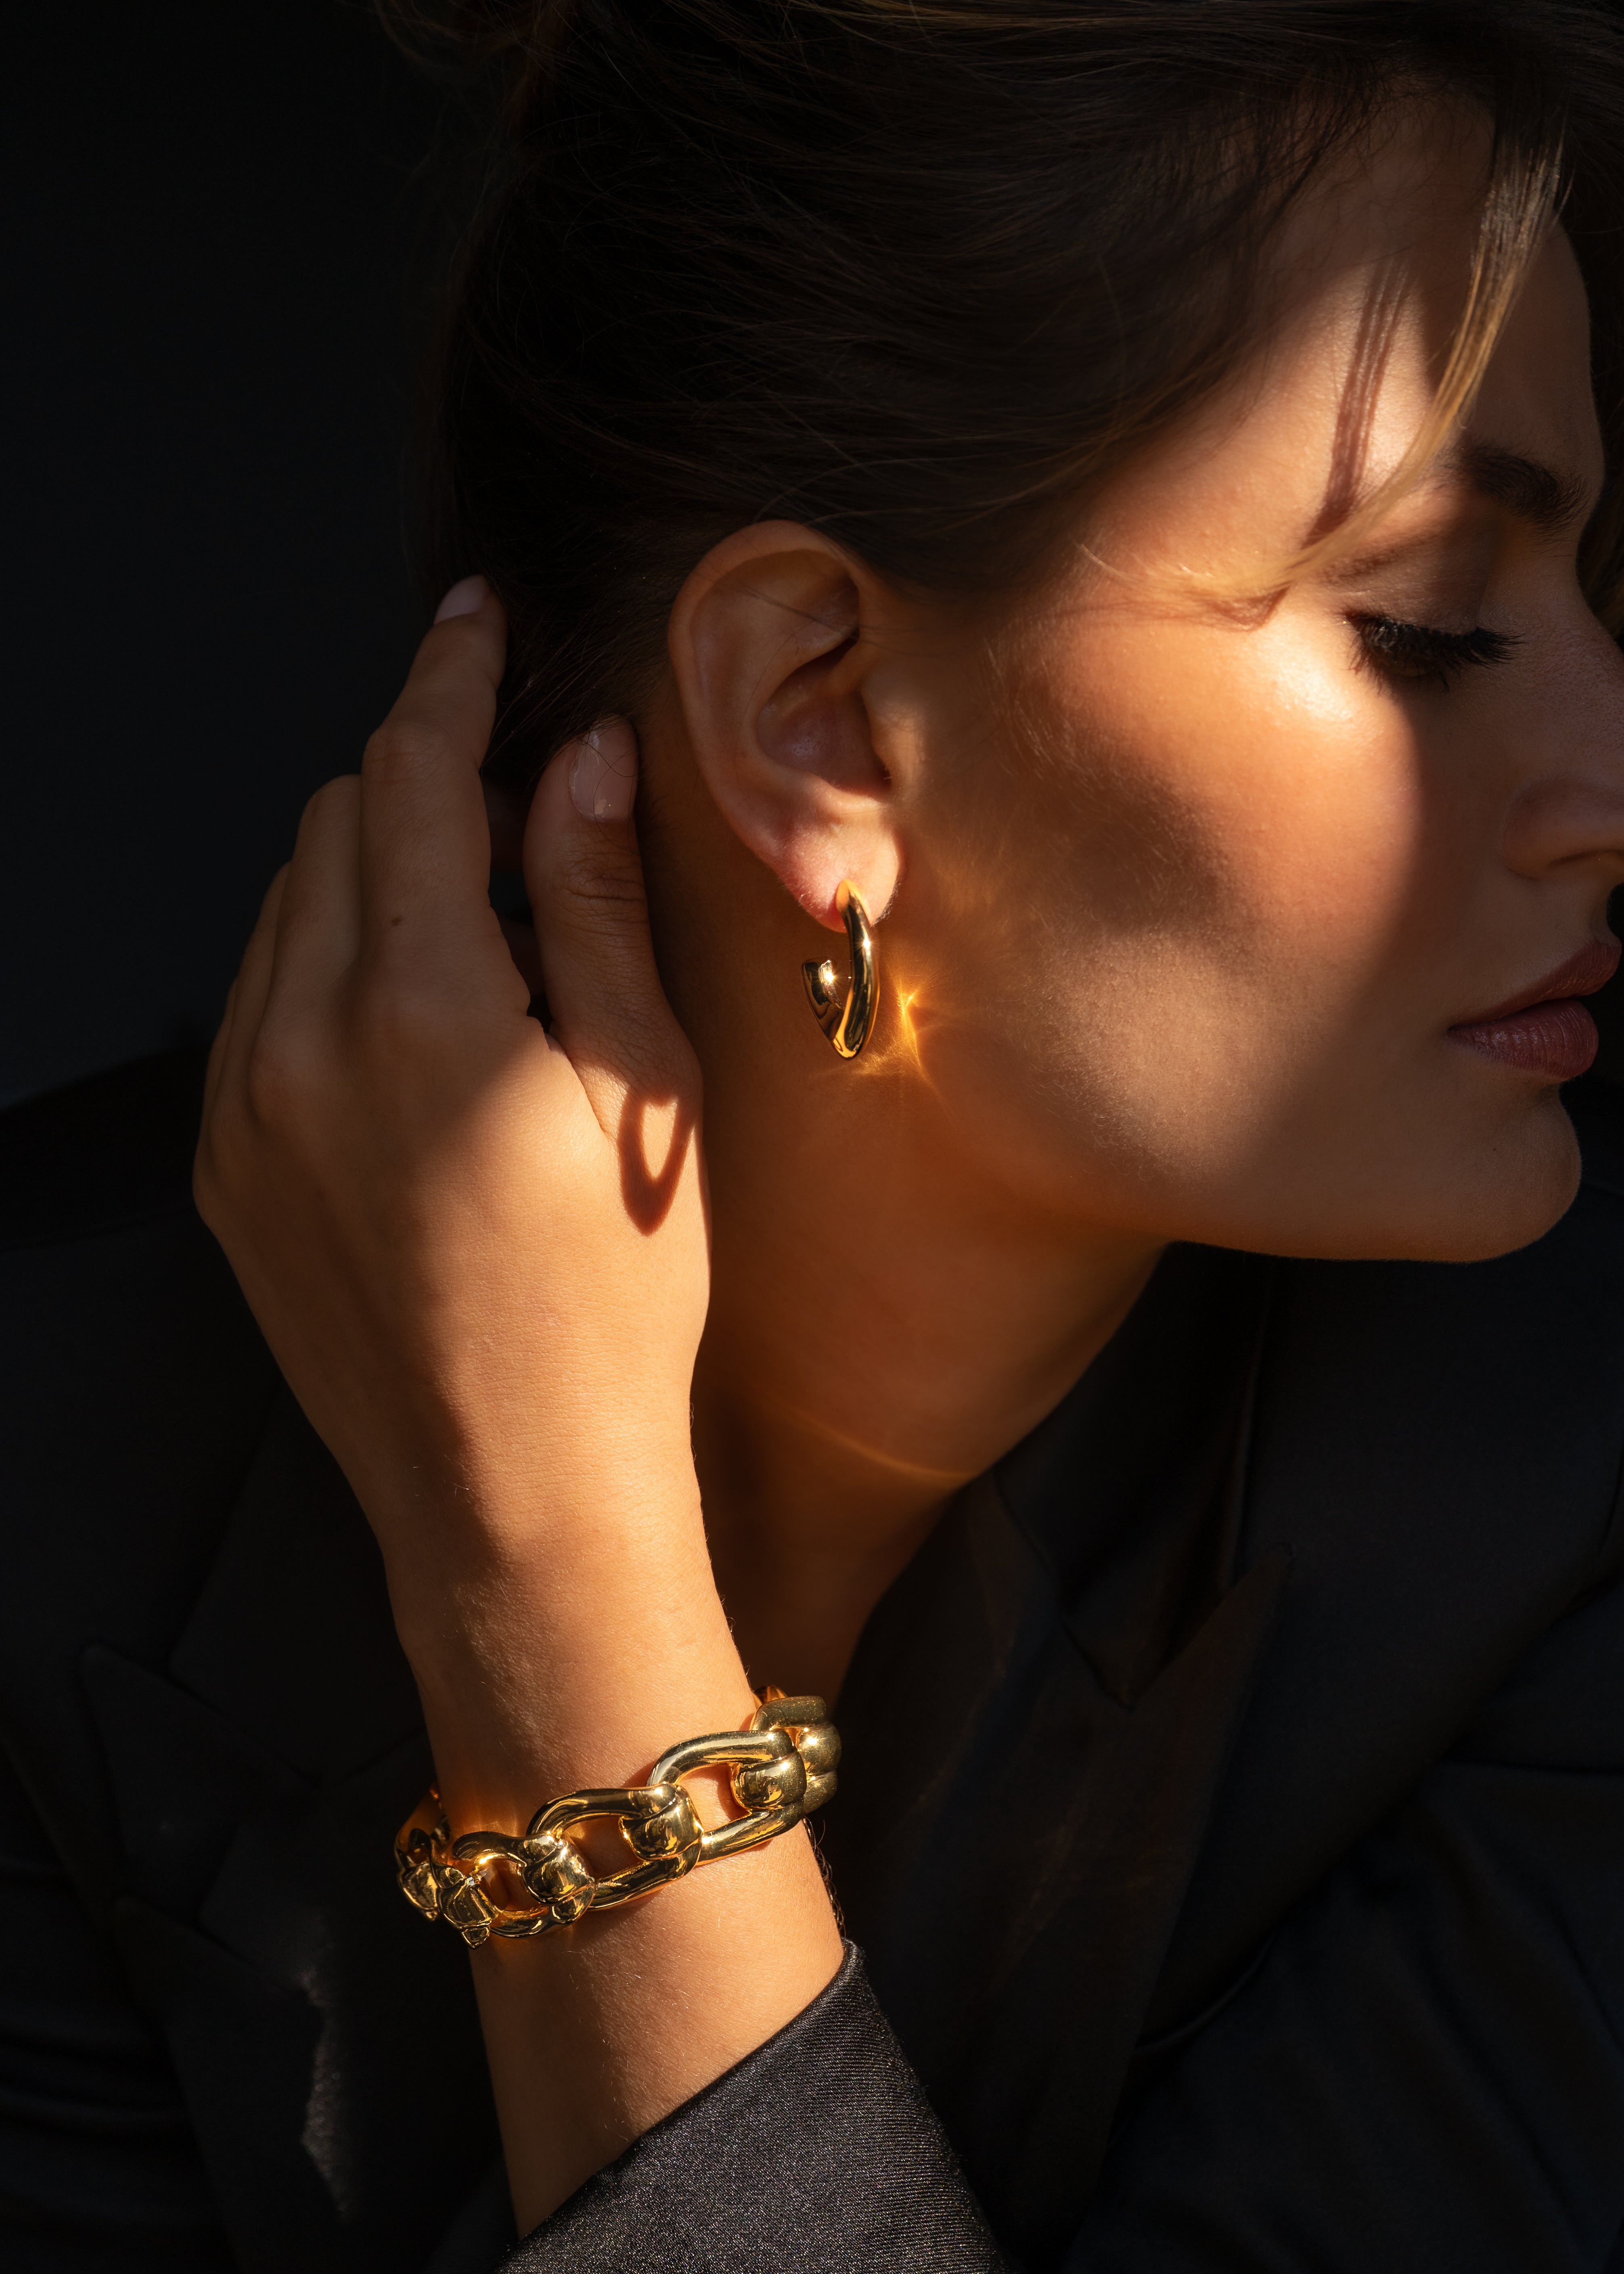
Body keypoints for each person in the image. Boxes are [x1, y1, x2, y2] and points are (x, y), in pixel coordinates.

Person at [6, 0, 1624, 2266]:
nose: (1604, 793)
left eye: (1594, 599)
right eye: (1435, 626)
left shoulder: (1547, 1523)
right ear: (820, 720)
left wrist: (555, 1589)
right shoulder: (58, 1481)